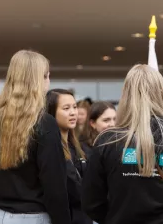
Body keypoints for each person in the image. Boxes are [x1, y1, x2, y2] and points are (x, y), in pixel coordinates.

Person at [82, 64, 163, 224]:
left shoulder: (107, 141)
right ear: (161, 93)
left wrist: (115, 217)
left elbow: (91, 202)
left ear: (125, 95)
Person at [0, 50, 71, 224]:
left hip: (0, 216)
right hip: (33, 217)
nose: (49, 80)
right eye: (47, 75)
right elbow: (55, 186)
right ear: (40, 80)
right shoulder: (44, 122)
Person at [46, 89, 92, 224]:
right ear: (51, 113)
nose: (73, 112)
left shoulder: (78, 147)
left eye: (75, 107)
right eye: (66, 108)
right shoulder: (50, 150)